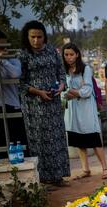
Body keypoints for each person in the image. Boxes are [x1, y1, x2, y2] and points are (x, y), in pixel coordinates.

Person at [19, 20, 70, 187]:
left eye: (39, 36)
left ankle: (58, 176)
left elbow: (61, 74)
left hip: (54, 103)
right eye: (32, 37)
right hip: (34, 106)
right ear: (27, 37)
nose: (36, 40)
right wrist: (39, 92)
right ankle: (42, 180)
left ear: (44, 36)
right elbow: (21, 82)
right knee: (39, 141)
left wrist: (61, 86)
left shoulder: (52, 51)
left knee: (56, 138)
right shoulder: (24, 54)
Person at [62, 43, 107, 180]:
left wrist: (73, 92)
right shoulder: (63, 71)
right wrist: (72, 92)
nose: (69, 57)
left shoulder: (85, 69)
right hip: (72, 109)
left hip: (86, 109)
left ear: (77, 54)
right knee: (78, 139)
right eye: (66, 54)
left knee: (93, 138)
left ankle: (105, 167)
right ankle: (85, 169)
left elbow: (88, 90)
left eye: (71, 54)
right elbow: (62, 91)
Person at [0, 28, 29, 159]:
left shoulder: (13, 59)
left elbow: (16, 73)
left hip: (13, 105)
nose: (3, 49)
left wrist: (3, 60)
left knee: (18, 143)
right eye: (0, 46)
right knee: (0, 143)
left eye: (5, 45)